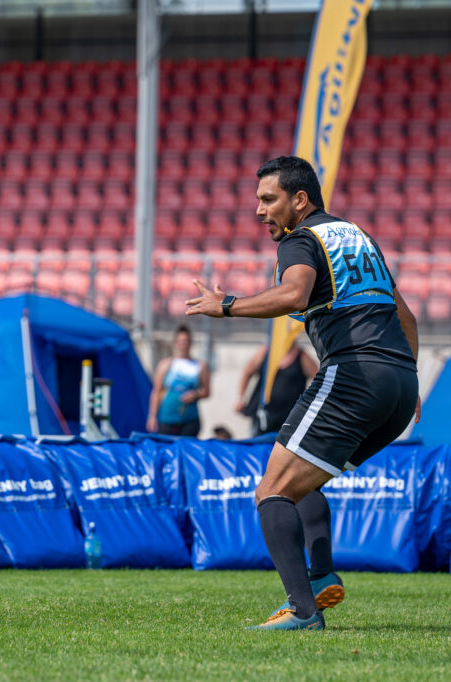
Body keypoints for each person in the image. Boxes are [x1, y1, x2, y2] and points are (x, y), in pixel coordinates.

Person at [186, 156, 420, 631]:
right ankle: (319, 575)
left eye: (268, 199)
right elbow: (406, 316)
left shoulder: (300, 240)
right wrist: (409, 382)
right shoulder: (358, 237)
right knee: (302, 481)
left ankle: (303, 610)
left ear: (299, 199)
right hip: (398, 382)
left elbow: (294, 295)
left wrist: (226, 305)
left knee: (271, 490)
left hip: (353, 374)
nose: (259, 210)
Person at [236, 342, 318, 436]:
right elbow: (247, 373)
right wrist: (241, 399)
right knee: (259, 444)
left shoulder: (301, 355)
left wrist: (310, 403)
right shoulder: (265, 352)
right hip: (263, 413)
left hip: (290, 415)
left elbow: (319, 378)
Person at [146, 325, 210, 437]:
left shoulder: (200, 366)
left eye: (186, 341)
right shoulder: (165, 364)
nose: (183, 345)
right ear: (175, 343)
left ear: (190, 343)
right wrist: (152, 416)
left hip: (189, 419)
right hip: (167, 418)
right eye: (180, 341)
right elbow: (157, 391)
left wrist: (195, 395)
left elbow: (206, 392)